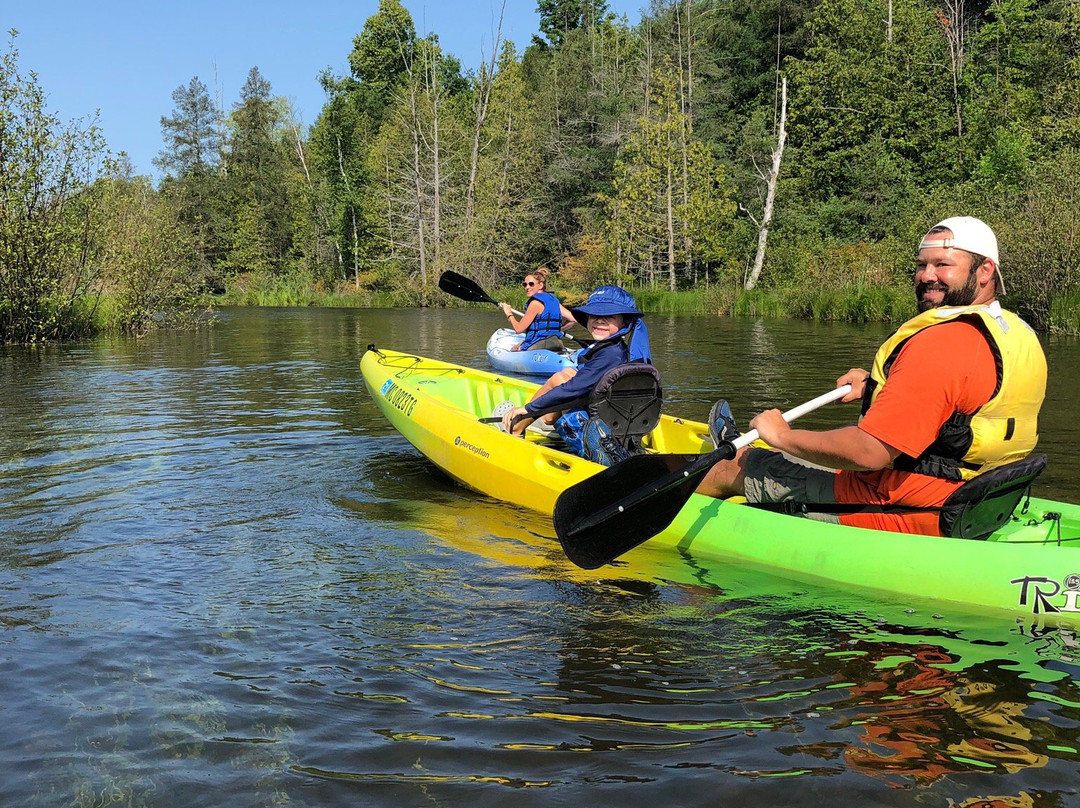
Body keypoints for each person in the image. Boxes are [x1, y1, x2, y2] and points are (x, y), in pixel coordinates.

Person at [697, 216, 1047, 535]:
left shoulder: (943, 343)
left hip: (905, 500)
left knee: (735, 465)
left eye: (943, 265)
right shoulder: (1016, 333)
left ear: (985, 271)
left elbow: (869, 454)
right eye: (922, 265)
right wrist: (875, 388)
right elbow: (961, 408)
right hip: (980, 495)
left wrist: (781, 436)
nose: (927, 276)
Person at [500, 285, 652, 466]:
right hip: (613, 421)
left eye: (608, 316)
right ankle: (547, 419)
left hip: (595, 432)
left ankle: (517, 426)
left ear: (624, 321)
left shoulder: (609, 355)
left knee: (560, 381)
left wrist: (527, 408)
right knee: (568, 373)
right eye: (594, 316)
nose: (599, 321)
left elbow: (573, 389)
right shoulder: (619, 349)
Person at [499, 267, 578, 352]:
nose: (527, 287)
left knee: (513, 350)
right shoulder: (553, 301)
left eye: (531, 284)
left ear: (541, 285)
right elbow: (573, 319)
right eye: (525, 284)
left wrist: (508, 312)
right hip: (556, 342)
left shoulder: (535, 303)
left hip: (541, 345)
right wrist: (557, 330)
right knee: (519, 345)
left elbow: (518, 329)